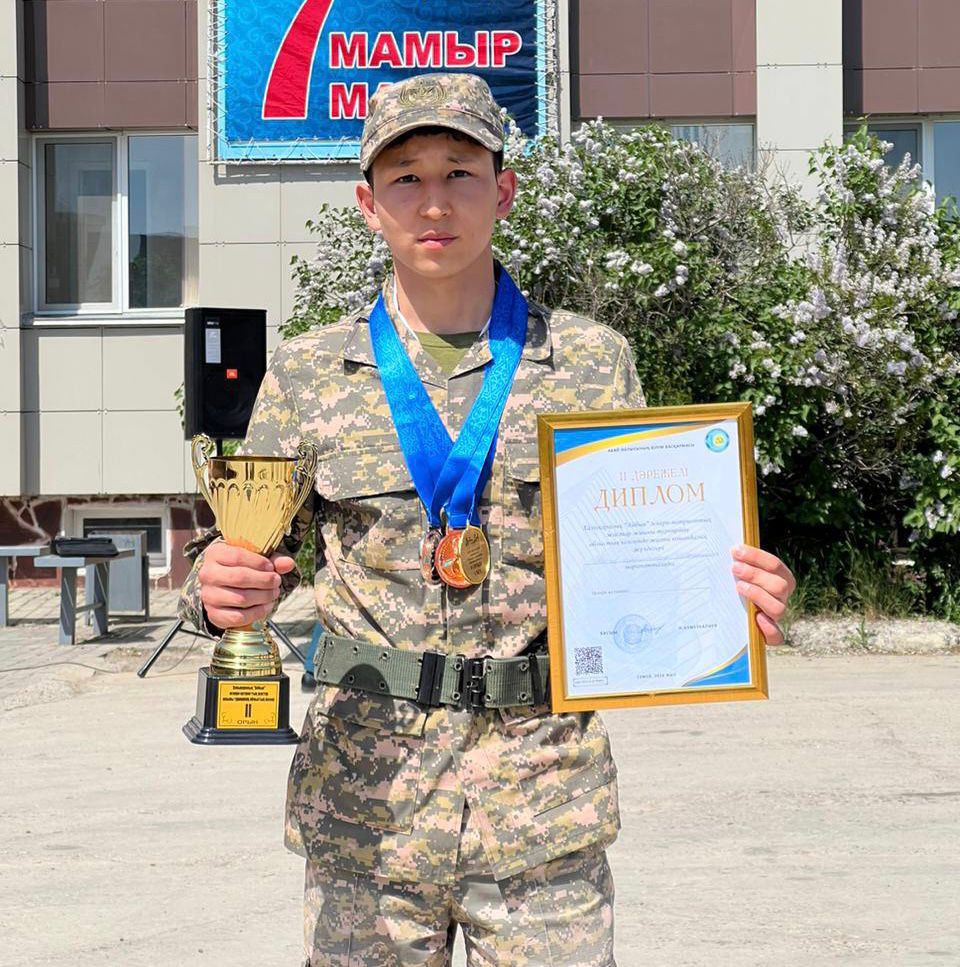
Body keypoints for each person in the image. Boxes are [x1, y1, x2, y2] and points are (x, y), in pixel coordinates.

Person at [179, 72, 796, 967]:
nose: (435, 203)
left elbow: (647, 547)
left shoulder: (589, 363)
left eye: (460, 173)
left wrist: (730, 594)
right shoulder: (310, 374)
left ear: (503, 190)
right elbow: (237, 547)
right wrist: (215, 590)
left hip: (543, 805)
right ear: (368, 205)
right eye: (406, 178)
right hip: (369, 808)